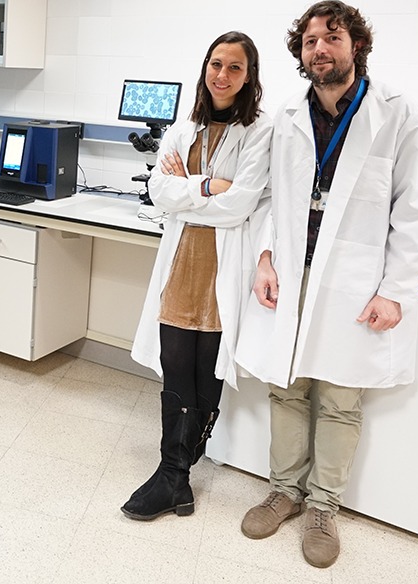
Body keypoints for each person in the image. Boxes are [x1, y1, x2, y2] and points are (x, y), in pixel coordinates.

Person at [235, 0, 418, 568]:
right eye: (310, 41)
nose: (319, 49)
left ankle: (323, 507)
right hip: (292, 270)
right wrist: (266, 257)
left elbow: (415, 208)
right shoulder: (288, 115)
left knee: (341, 398)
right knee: (286, 387)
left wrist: (396, 290)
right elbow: (271, 196)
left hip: (355, 279)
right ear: (300, 53)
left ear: (356, 45)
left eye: (332, 37)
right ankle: (283, 491)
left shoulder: (396, 112)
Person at [122, 32, 272, 520]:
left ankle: (176, 476)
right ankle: (173, 473)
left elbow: (240, 205)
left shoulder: (260, 132)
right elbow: (159, 192)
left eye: (234, 67)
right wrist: (209, 186)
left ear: (248, 77)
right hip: (181, 261)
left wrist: (187, 189)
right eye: (215, 64)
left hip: (223, 267)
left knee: (205, 371)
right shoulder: (184, 128)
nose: (222, 75)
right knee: (175, 365)